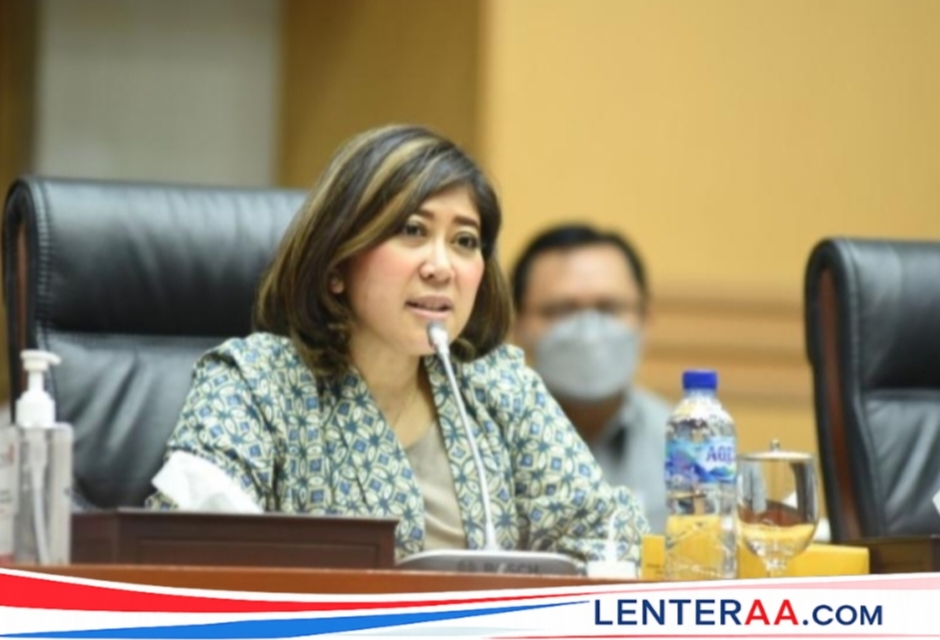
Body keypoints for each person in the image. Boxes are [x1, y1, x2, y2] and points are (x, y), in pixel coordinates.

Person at [145, 125, 648, 565]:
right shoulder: (257, 381)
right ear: (337, 264)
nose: (441, 266)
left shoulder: (499, 386)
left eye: (464, 240)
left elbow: (606, 539)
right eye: (412, 231)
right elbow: (188, 544)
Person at [510, 224, 673, 533]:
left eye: (608, 308)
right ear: (517, 325)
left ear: (645, 318)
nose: (588, 331)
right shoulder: (483, 449)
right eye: (562, 310)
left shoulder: (690, 450)